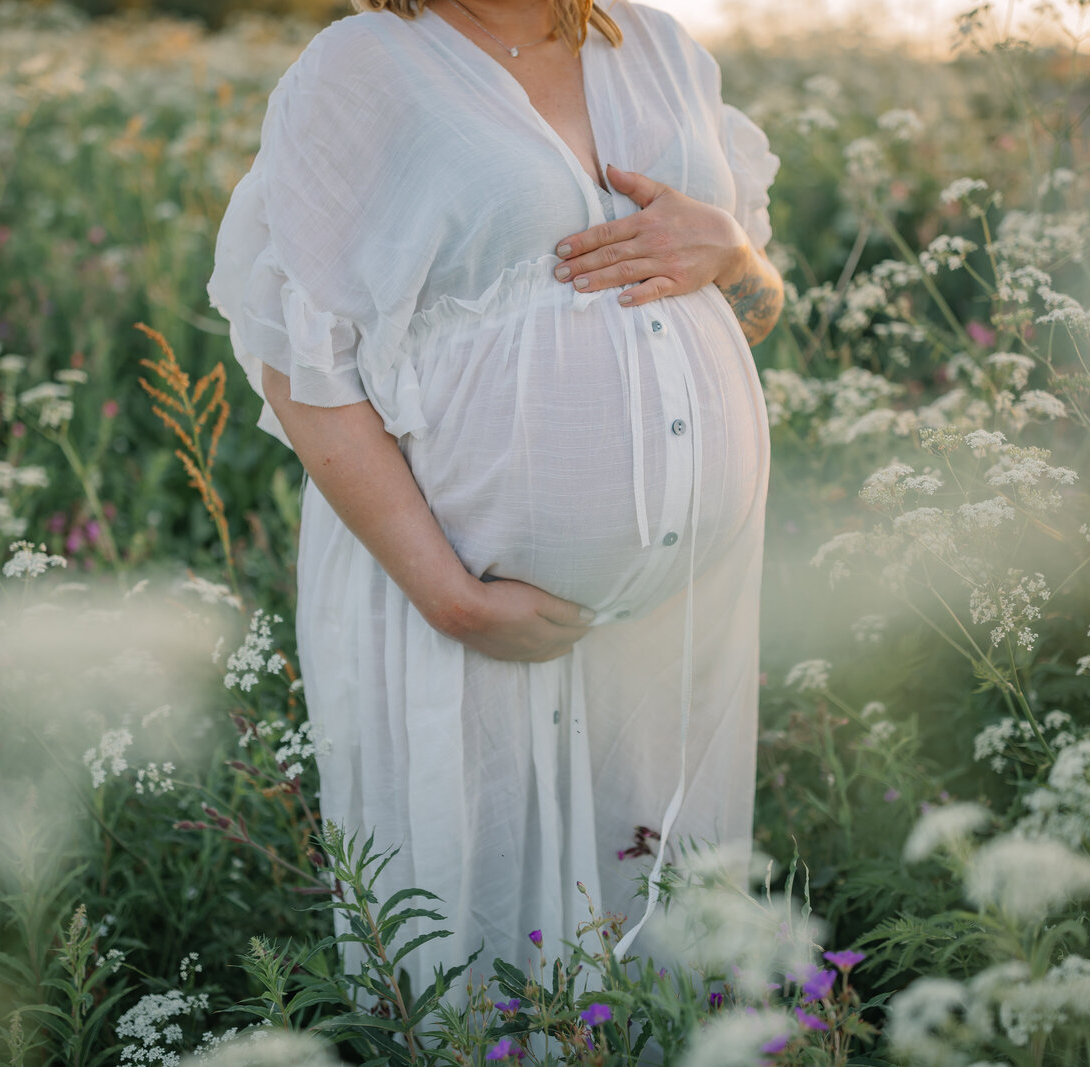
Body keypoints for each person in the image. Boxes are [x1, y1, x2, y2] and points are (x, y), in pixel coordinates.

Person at [206, 0, 783, 1016]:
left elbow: (748, 302)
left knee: (664, 930)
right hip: (464, 595)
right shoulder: (364, 67)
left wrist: (735, 254)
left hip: (673, 621)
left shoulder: (656, 48)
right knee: (484, 960)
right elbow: (298, 355)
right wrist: (449, 594)